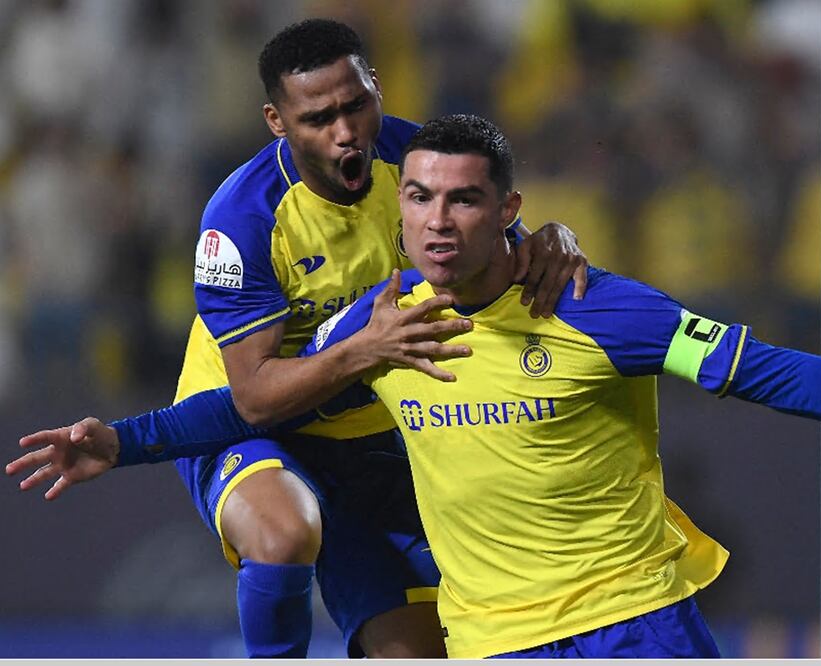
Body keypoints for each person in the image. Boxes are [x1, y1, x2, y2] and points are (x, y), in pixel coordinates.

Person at [10, 114, 821, 658]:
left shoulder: (598, 310)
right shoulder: (385, 324)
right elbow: (254, 402)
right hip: (489, 642)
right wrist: (124, 442)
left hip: (633, 623)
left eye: (462, 202)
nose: (434, 222)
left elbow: (776, 373)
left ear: (509, 210)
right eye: (417, 198)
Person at [12, 19, 589, 659]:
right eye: (318, 118)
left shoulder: (419, 162)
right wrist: (364, 350)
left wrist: (550, 239)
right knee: (285, 534)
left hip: (371, 437)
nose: (346, 132)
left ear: (377, 87)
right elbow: (256, 399)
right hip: (238, 420)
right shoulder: (241, 220)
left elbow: (501, 255)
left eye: (356, 105)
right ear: (277, 121)